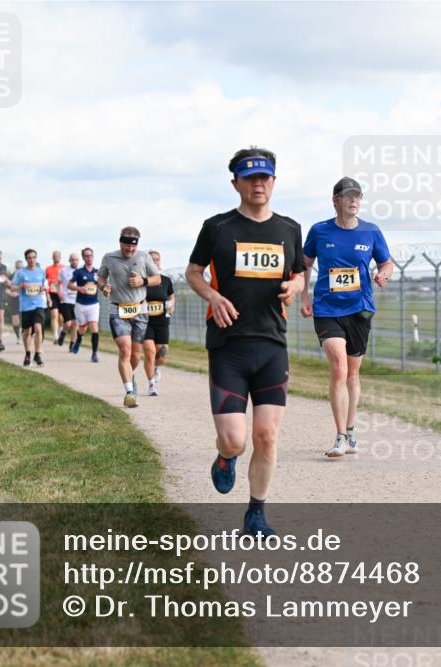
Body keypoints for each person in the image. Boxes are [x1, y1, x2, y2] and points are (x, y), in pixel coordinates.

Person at [185, 147, 305, 537]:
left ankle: (256, 513)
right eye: (250, 177)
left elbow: (301, 273)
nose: (258, 183)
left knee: (267, 434)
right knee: (235, 439)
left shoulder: (289, 228)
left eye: (265, 177)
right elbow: (193, 272)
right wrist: (213, 297)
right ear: (235, 182)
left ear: (273, 181)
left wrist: (296, 286)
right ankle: (225, 457)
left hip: (271, 344)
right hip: (228, 347)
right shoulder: (217, 227)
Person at [301, 177, 394, 457]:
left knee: (352, 372)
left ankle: (351, 432)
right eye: (348, 196)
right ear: (336, 201)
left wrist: (383, 274)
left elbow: (387, 262)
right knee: (339, 368)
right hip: (327, 308)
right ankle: (340, 436)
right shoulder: (319, 231)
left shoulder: (371, 231)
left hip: (360, 308)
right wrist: (304, 296)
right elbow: (304, 264)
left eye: (358, 196)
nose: (354, 201)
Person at [99, 227, 161, 407]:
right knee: (125, 350)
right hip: (118, 310)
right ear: (121, 243)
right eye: (127, 246)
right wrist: (104, 287)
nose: (130, 250)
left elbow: (157, 278)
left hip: (140, 310)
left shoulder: (143, 257)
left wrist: (143, 281)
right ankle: (129, 392)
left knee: (136, 353)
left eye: (133, 247)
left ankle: (130, 376)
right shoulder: (109, 258)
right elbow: (101, 278)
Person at [142, 250, 175, 396]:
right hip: (145, 321)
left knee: (161, 354)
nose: (155, 261)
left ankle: (155, 368)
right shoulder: (142, 281)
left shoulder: (166, 280)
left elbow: (172, 297)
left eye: (157, 259)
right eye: (152, 259)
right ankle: (151, 385)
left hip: (162, 321)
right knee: (150, 352)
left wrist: (171, 305)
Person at [10, 249, 47, 367]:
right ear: (26, 259)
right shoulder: (20, 273)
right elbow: (12, 287)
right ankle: (27, 354)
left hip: (38, 304)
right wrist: (21, 286)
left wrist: (43, 289)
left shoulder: (41, 271)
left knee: (38, 328)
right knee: (27, 332)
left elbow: (44, 285)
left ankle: (37, 354)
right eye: (29, 258)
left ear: (36, 258)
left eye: (34, 257)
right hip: (25, 306)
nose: (32, 260)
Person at [69, 247, 101, 362]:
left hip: (93, 304)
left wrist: (103, 287)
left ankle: (94, 354)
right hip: (81, 304)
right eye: (86, 256)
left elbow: (102, 284)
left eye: (91, 255)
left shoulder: (98, 272)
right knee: (82, 329)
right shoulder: (78, 272)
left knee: (94, 327)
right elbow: (69, 285)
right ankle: (78, 340)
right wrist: (79, 288)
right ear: (83, 258)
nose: (89, 258)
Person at [57, 252, 79, 350]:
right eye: (72, 260)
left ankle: (72, 343)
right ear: (69, 261)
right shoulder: (64, 270)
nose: (74, 261)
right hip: (66, 299)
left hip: (78, 300)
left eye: (76, 259)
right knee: (68, 323)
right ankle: (63, 333)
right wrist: (59, 293)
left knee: (75, 323)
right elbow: (58, 283)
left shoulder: (81, 271)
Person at [45, 250, 64, 344]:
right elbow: (45, 282)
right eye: (54, 256)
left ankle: (60, 331)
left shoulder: (64, 268)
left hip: (61, 294)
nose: (56, 257)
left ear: (60, 257)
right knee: (54, 315)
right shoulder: (48, 269)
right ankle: (55, 337)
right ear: (52, 257)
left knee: (61, 317)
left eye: (57, 256)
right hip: (52, 294)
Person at [8, 259, 24, 343]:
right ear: (15, 267)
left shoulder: (25, 276)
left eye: (21, 268)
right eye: (17, 268)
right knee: (15, 321)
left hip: (23, 301)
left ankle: (23, 335)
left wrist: (19, 294)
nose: (19, 269)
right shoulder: (11, 276)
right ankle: (18, 336)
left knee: (24, 320)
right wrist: (10, 293)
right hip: (13, 301)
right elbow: (5, 289)